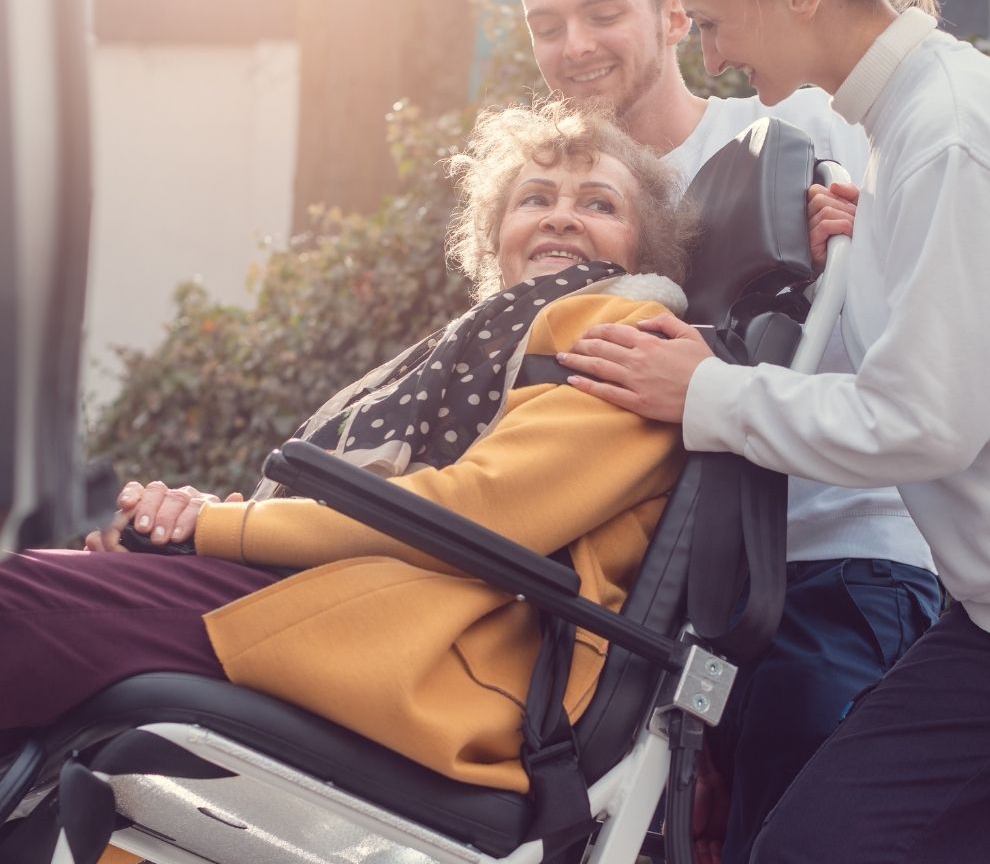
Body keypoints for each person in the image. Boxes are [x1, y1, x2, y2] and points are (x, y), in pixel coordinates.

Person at [557, 0, 990, 864]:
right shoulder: (902, 136)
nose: (709, 55)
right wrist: (873, 230)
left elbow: (927, 423)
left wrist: (703, 393)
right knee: (813, 860)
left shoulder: (952, 131)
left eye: (711, 21)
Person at [2, 101, 700, 795]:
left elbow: (474, 511)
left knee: (18, 606)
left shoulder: (628, 335)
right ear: (496, 241)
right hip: (358, 607)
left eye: (599, 203)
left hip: (441, 656)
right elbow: (334, 499)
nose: (560, 215)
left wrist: (213, 530)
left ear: (645, 249)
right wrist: (190, 522)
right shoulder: (479, 347)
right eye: (536, 198)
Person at [521, 0, 942, 864]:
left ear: (678, 16)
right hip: (665, 602)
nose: (573, 44)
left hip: (831, 564)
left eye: (601, 12)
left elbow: (912, 324)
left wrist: (866, 241)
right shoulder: (568, 197)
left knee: (796, 850)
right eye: (547, 24)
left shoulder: (789, 125)